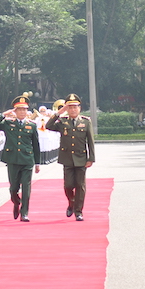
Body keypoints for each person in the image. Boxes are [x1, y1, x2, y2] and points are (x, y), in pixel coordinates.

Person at [0, 96, 41, 222]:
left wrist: (38, 163)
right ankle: (16, 203)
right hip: (12, 159)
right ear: (15, 111)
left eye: (24, 109)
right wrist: (4, 114)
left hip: (27, 160)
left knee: (26, 188)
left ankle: (25, 213)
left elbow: (36, 145)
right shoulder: (8, 123)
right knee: (13, 188)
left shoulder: (32, 126)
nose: (22, 112)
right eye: (19, 109)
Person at [46, 93, 95, 221]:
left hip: (81, 158)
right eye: (70, 107)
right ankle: (71, 202)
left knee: (80, 185)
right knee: (68, 185)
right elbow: (48, 126)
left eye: (75, 107)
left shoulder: (85, 122)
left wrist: (91, 158)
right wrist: (59, 113)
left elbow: (90, 141)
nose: (73, 109)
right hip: (67, 158)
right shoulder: (62, 122)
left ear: (79, 108)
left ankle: (78, 211)